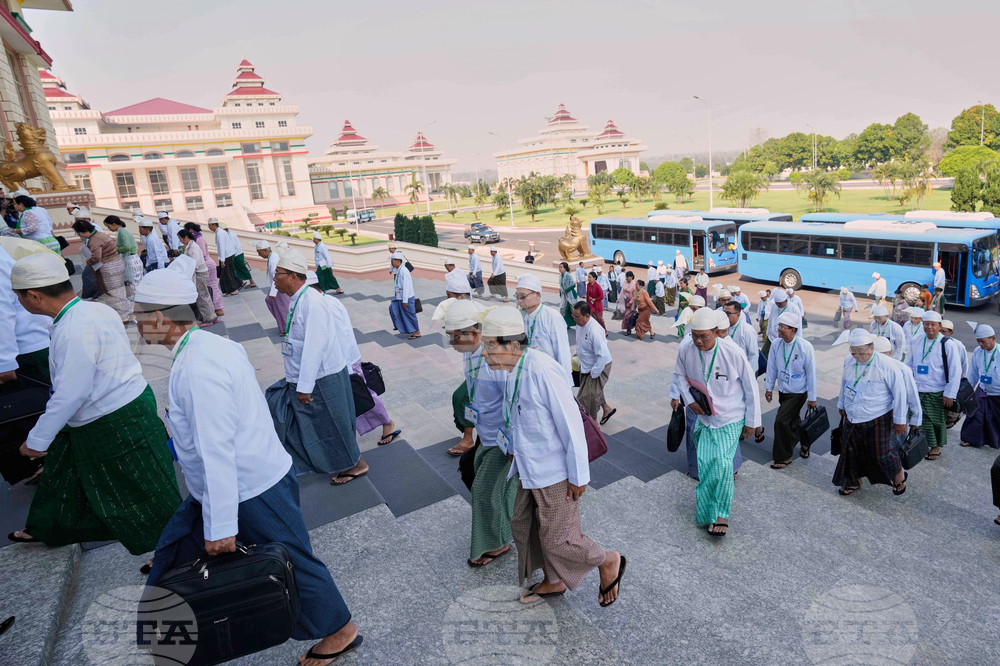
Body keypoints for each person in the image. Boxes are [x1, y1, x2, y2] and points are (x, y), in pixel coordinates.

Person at [132, 269, 363, 665]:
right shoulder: (208, 345)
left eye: (139, 315)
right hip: (229, 486)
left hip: (249, 488)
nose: (135, 324)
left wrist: (221, 527)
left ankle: (341, 630)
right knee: (174, 552)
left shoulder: (199, 368)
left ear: (160, 318)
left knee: (294, 558)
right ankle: (176, 636)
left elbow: (218, 449)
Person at [6, 252, 181, 550]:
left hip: (112, 418)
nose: (18, 303)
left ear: (33, 296)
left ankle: (175, 545)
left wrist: (36, 440)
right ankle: (47, 525)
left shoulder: (73, 329)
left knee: (143, 485)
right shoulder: (95, 310)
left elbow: (70, 393)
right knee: (62, 472)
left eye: (18, 297)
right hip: (122, 404)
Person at [479, 307, 625, 607]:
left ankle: (607, 560)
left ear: (513, 345)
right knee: (524, 523)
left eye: (490, 346)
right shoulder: (512, 370)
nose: (484, 354)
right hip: (529, 467)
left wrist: (578, 476)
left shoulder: (543, 370)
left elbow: (571, 425)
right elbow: (518, 419)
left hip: (555, 472)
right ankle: (553, 578)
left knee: (560, 538)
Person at [264, 250, 367, 486]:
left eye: (277, 274)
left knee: (333, 423)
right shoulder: (298, 300)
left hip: (321, 378)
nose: (274, 279)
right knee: (311, 421)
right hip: (306, 377)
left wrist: (305, 387)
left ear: (292, 276)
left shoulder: (312, 302)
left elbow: (314, 347)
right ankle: (326, 461)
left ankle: (357, 464)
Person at [671, 307, 761, 536]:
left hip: (730, 417)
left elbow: (751, 388)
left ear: (716, 332)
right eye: (695, 335)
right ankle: (708, 510)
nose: (698, 341)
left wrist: (752, 422)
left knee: (721, 464)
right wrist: (689, 401)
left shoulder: (732, 352)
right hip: (704, 417)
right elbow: (679, 375)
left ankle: (722, 514)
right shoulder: (686, 348)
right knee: (706, 465)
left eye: (704, 336)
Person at [440, 300, 516, 567]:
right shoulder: (469, 354)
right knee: (476, 477)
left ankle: (499, 542)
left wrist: (511, 445)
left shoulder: (492, 359)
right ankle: (505, 527)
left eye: (454, 336)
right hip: (486, 434)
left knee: (484, 489)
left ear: (474, 334)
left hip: (501, 439)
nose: (451, 342)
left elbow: (511, 401)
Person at [308, 270, 400, 448]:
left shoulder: (327, 305)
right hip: (338, 361)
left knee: (361, 394)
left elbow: (340, 336)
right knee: (352, 397)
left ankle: (387, 422)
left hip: (344, 360)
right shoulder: (321, 303)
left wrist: (342, 364)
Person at [833, 330, 910, 497]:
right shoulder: (849, 360)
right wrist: (842, 404)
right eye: (854, 351)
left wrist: (899, 421)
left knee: (880, 454)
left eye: (862, 351)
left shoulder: (887, 365)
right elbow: (844, 383)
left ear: (872, 347)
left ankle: (898, 474)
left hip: (879, 416)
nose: (858, 355)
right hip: (853, 415)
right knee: (850, 450)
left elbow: (900, 394)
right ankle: (853, 481)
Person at [906, 310, 961, 462]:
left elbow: (956, 370)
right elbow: (909, 363)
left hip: (937, 391)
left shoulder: (947, 344)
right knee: (918, 419)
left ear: (939, 326)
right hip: (917, 388)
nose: (929, 327)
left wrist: (950, 393)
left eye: (933, 324)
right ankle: (921, 445)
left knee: (936, 421)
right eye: (926, 324)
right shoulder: (916, 339)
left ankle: (936, 446)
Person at [764, 312, 817, 468]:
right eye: (778, 326)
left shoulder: (805, 347)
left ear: (793, 329)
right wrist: (768, 388)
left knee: (781, 421)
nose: (779, 330)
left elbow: (811, 373)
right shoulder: (776, 344)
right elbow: (771, 367)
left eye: (783, 327)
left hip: (798, 391)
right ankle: (805, 442)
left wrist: (812, 397)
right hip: (783, 389)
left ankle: (783, 456)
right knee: (793, 420)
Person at [0, 239, 52, 384]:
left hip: (25, 350)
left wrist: (4, 362)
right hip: (33, 342)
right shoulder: (8, 246)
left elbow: (2, 312)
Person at [72, 216, 132, 323]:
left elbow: (96, 257)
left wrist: (88, 261)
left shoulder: (95, 239)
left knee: (112, 293)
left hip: (108, 268)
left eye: (80, 233)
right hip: (117, 264)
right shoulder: (101, 235)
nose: (80, 236)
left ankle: (122, 317)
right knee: (119, 291)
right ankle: (127, 312)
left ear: (84, 231)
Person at [516, 274, 572, 382]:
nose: (519, 300)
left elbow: (562, 352)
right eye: (517, 296)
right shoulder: (525, 317)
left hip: (550, 378)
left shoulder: (552, 317)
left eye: (523, 296)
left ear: (537, 294)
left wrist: (566, 384)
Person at [573, 301, 615, 425]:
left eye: (577, 317)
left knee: (586, 400)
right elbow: (580, 342)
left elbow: (602, 356)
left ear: (587, 316)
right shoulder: (580, 325)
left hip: (598, 367)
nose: (575, 320)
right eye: (573, 316)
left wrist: (594, 374)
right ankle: (607, 409)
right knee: (592, 391)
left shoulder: (595, 330)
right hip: (586, 365)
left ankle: (592, 428)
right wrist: (577, 353)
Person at [960, 324, 1000, 449]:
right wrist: (968, 390)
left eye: (983, 341)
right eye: (978, 341)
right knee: (974, 414)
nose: (981, 344)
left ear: (993, 338)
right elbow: (972, 373)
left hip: (998, 393)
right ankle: (970, 438)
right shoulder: (978, 351)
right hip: (983, 389)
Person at [874, 336, 922, 431]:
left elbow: (912, 395)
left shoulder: (902, 369)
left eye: (883, 355)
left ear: (890, 353)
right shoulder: (870, 368)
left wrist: (916, 420)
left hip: (895, 416)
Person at [177, 229, 219, 326]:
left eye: (181, 238)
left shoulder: (194, 247)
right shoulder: (190, 246)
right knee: (203, 296)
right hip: (199, 273)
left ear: (186, 237)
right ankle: (210, 316)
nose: (180, 241)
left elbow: (194, 262)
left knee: (202, 296)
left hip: (200, 273)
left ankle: (209, 318)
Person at [183, 222, 223, 316]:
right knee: (207, 288)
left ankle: (218, 308)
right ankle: (213, 308)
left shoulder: (199, 239)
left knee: (212, 287)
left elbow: (203, 254)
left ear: (191, 230)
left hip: (206, 264)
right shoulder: (196, 239)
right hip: (204, 264)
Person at [102, 214, 144, 303]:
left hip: (131, 259)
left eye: (108, 226)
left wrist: (115, 249)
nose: (108, 228)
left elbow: (127, 247)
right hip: (131, 258)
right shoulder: (121, 231)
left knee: (134, 281)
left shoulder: (122, 232)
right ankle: (136, 298)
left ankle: (138, 300)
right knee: (134, 281)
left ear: (113, 224)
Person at [257, 240, 290, 335]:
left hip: (279, 287)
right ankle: (284, 327)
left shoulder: (274, 258)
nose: (259, 255)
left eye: (259, 253)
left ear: (264, 251)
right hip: (276, 286)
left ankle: (286, 329)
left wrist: (273, 292)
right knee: (274, 305)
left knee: (282, 308)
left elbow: (277, 276)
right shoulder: (272, 257)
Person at [389, 250, 420, 339]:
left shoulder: (404, 271)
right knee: (393, 308)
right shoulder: (399, 270)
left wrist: (405, 300)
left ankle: (417, 331)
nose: (392, 263)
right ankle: (402, 326)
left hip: (406, 297)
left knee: (410, 314)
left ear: (398, 261)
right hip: (400, 297)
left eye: (393, 261)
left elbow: (406, 286)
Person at [209, 218, 242, 295]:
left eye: (209, 225)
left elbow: (222, 247)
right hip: (227, 255)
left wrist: (222, 260)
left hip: (227, 256)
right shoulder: (219, 232)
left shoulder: (220, 233)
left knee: (226, 274)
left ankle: (235, 287)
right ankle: (234, 287)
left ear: (214, 225)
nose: (209, 227)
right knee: (227, 273)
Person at [763, 289, 800, 358]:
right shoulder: (775, 306)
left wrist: (797, 342)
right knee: (764, 355)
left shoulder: (794, 308)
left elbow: (798, 327)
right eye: (776, 302)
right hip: (772, 338)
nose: (777, 304)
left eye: (779, 303)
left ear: (786, 300)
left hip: (785, 338)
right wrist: (768, 334)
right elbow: (771, 320)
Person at [725, 301, 758, 375]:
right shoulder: (722, 328)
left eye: (728, 313)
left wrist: (749, 375)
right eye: (724, 313)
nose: (725, 316)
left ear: (738, 315)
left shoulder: (747, 330)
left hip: (744, 372)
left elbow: (753, 356)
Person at [223, 221, 256, 288]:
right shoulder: (230, 234)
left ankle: (252, 282)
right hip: (236, 254)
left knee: (242, 268)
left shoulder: (230, 235)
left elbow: (232, 246)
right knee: (237, 269)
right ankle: (241, 282)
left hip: (236, 254)